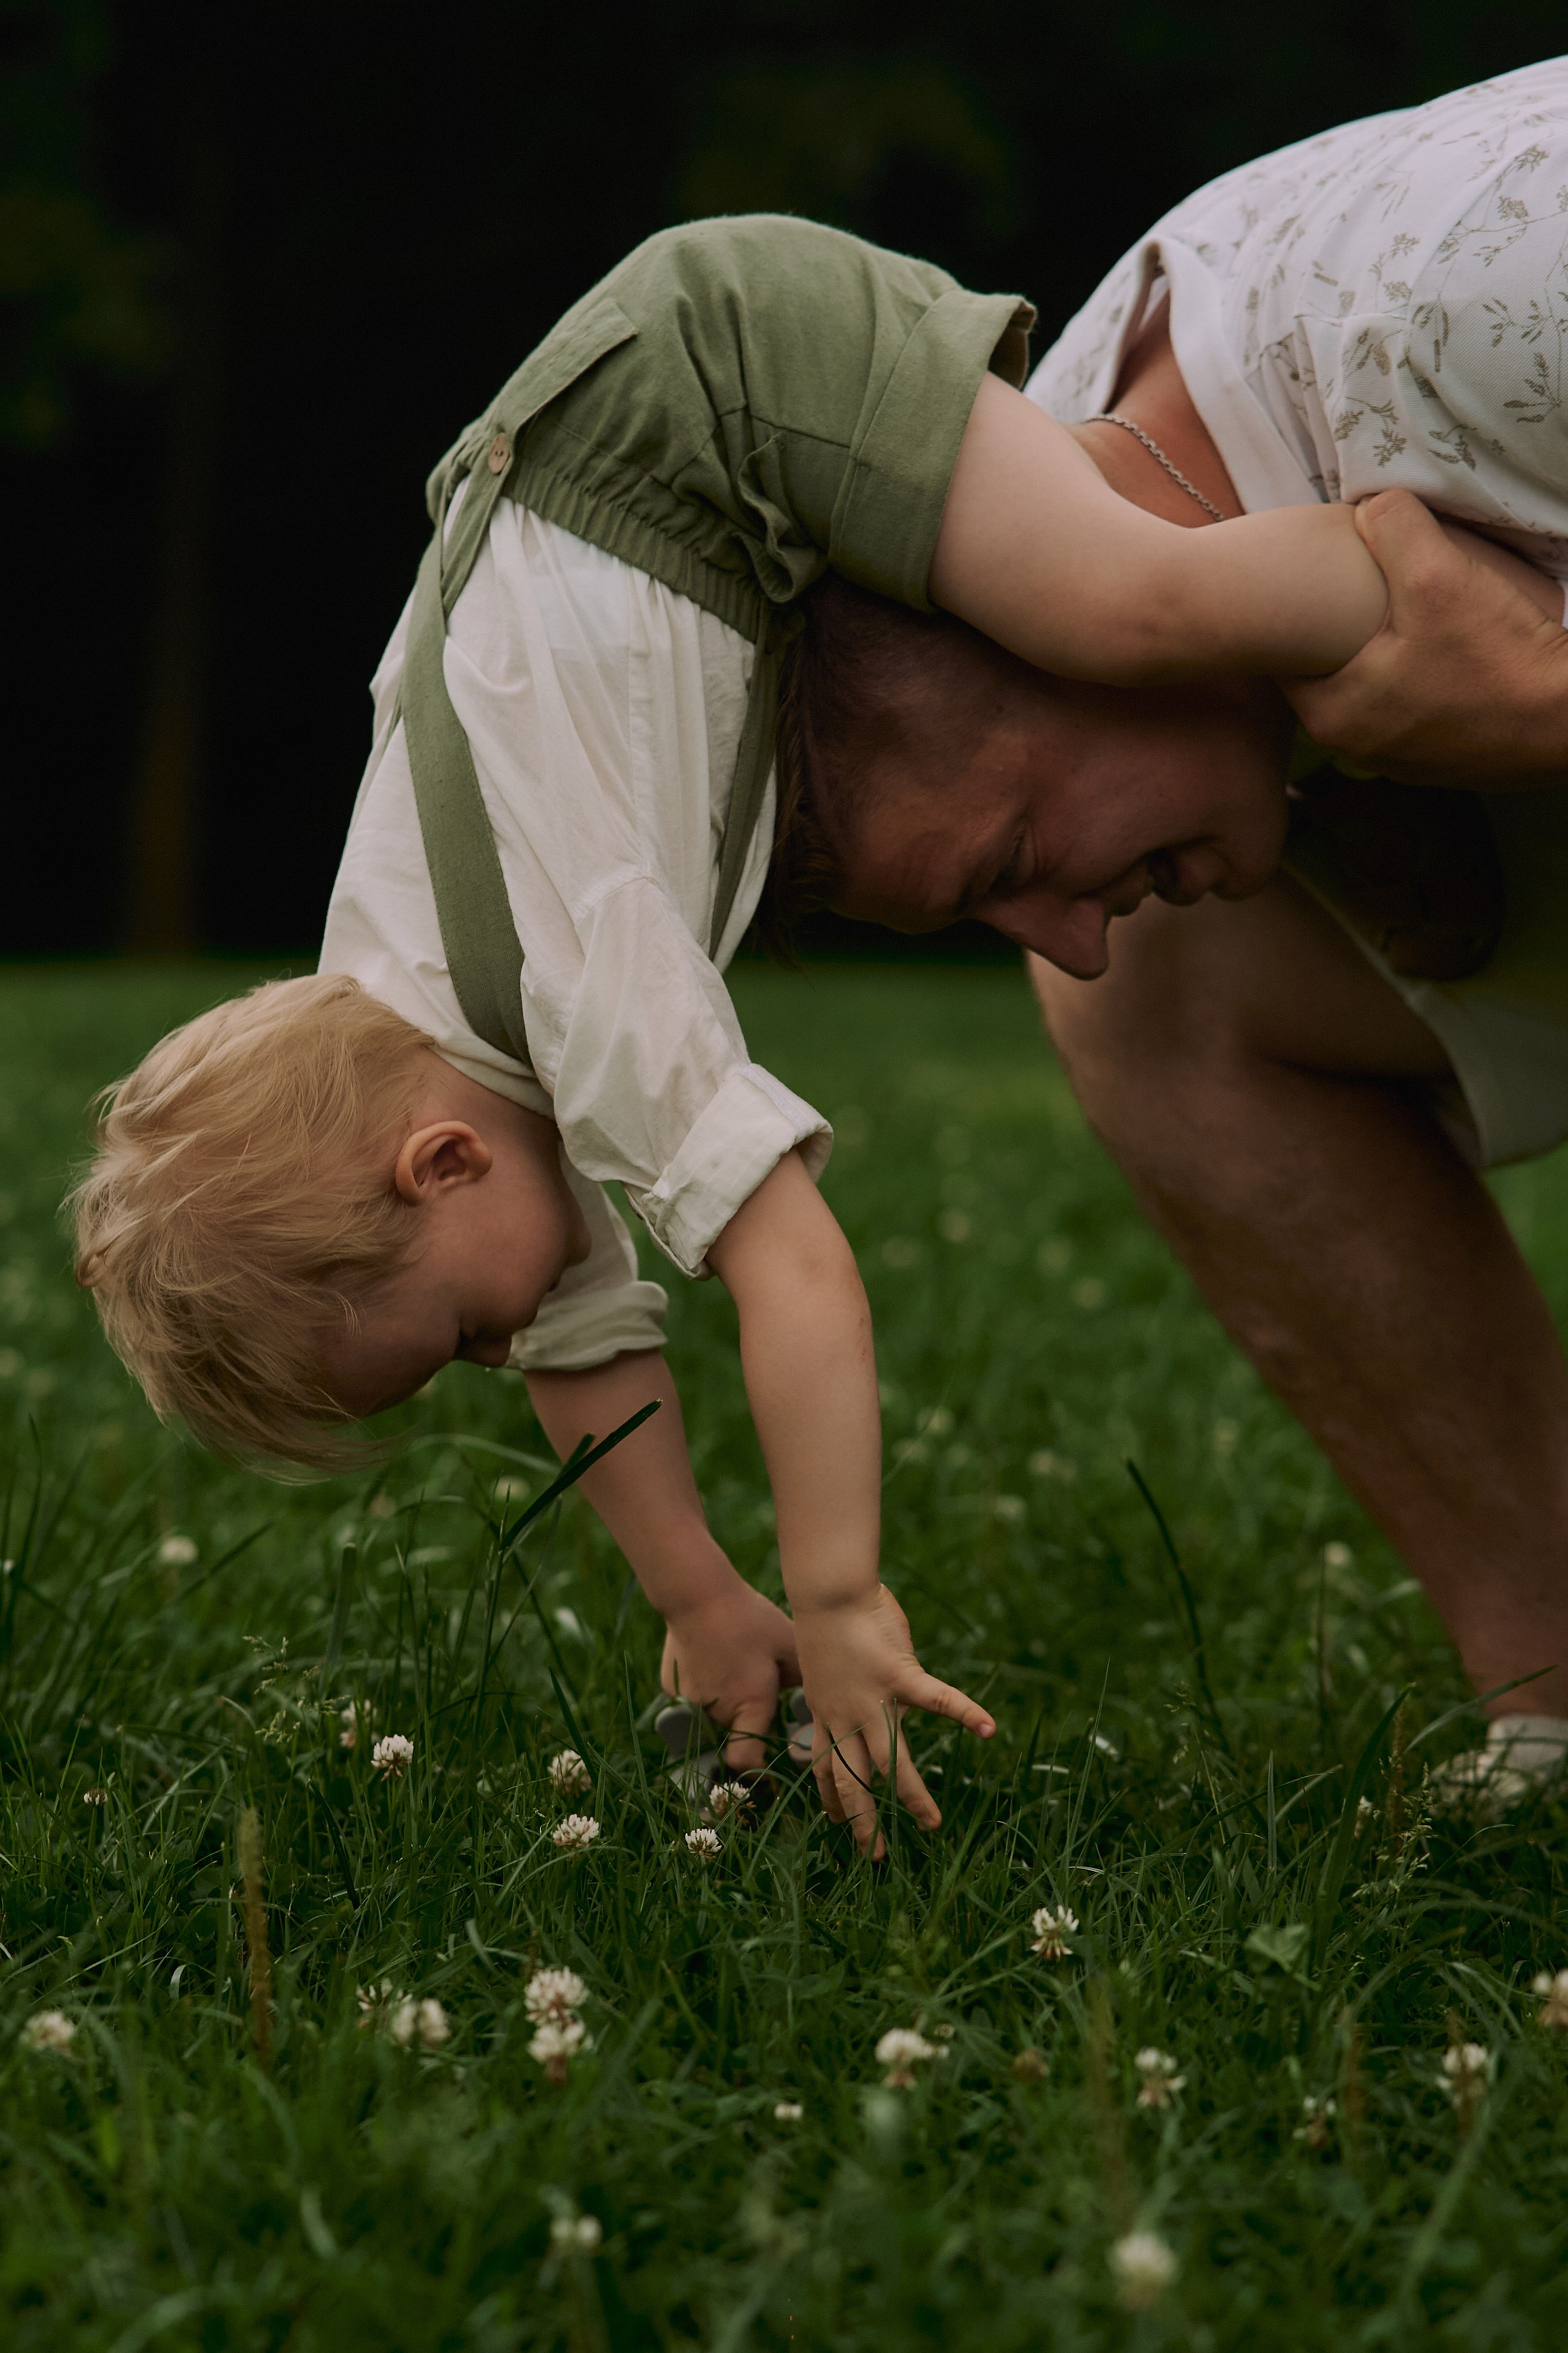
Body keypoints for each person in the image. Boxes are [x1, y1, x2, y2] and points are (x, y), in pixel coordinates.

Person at [67, 201, 1492, 1855]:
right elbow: (578, 1339)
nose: (498, 1352)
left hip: (719, 380)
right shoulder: (397, 1018)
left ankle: (1426, 603)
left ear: (441, 1158)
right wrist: (700, 1595)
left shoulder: (572, 983)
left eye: (456, 1332)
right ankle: (1363, 746)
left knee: (1135, 606)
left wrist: (838, 1592)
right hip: (612, 467)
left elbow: (793, 1262)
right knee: (1123, 619)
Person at [1010, 56, 1568, 1811]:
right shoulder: (1095, 415)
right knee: (1165, 997)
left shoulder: (1497, 292)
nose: (1056, 928)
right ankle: (1562, 1683)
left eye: (1018, 846)